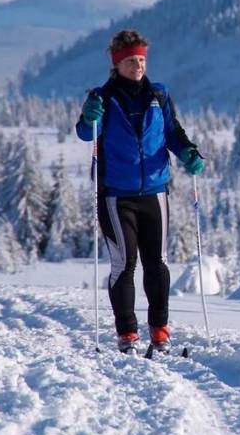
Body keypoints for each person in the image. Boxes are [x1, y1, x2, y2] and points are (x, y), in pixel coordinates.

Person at [76, 29, 204, 354]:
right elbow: (84, 132)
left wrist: (188, 152)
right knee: (124, 265)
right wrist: (88, 117)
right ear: (117, 64)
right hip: (116, 195)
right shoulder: (102, 98)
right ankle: (127, 335)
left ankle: (160, 332)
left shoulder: (158, 96)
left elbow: (172, 132)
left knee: (157, 264)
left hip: (155, 192)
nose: (139, 66)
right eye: (132, 60)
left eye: (142, 59)